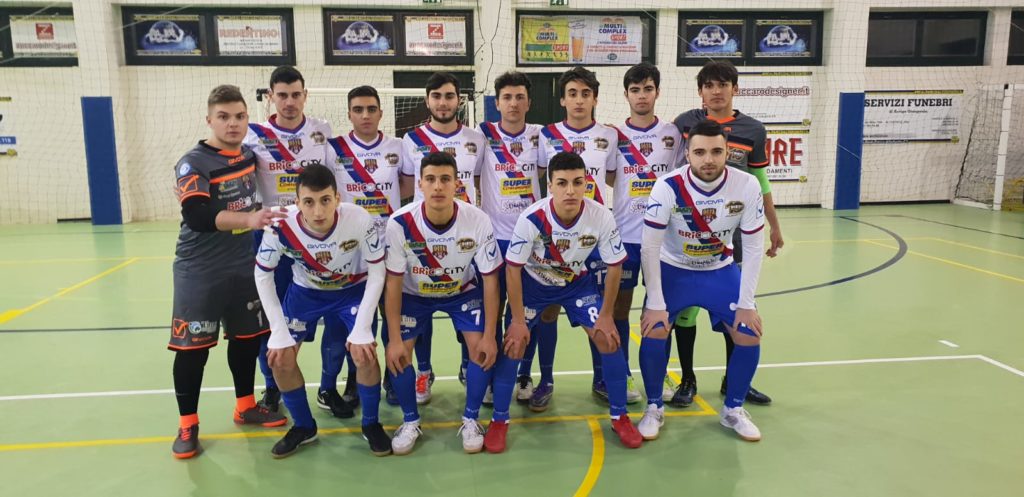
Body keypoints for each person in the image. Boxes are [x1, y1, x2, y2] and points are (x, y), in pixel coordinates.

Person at [169, 84, 287, 459]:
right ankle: (188, 424)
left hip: (243, 263)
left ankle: (245, 406)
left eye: (239, 116)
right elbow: (197, 216)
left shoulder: (249, 155)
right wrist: (249, 219)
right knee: (193, 349)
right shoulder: (193, 163)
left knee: (247, 338)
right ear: (209, 120)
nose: (232, 124)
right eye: (223, 117)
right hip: (200, 269)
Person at [503, 151, 643, 449]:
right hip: (534, 286)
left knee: (608, 339)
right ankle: (499, 420)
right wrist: (516, 320)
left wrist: (606, 315)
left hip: (576, 285)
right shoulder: (531, 218)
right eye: (562, 183)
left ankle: (620, 416)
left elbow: (615, 265)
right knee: (513, 345)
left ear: (586, 184)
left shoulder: (600, 215)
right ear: (550, 186)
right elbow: (512, 270)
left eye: (577, 183)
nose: (570, 190)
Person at [638, 119, 766, 442]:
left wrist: (747, 303)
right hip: (673, 270)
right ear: (688, 154)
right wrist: (655, 302)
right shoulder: (667, 187)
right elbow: (649, 247)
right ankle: (653, 407)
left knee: (749, 332)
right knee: (654, 329)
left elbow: (753, 248)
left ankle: (733, 410)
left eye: (716, 152)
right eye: (699, 152)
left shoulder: (747, 185)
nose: (708, 159)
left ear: (727, 152)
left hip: (719, 270)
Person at [255, 164, 389, 458]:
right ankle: (304, 426)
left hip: (351, 289)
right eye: (309, 202)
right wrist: (278, 332)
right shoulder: (280, 225)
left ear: (337, 198)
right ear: (296, 201)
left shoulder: (359, 219)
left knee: (365, 354)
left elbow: (378, 271)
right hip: (306, 294)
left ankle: (371, 424)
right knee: (280, 359)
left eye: (325, 200)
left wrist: (363, 327)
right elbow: (262, 274)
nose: (318, 211)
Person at [243, 66, 354, 418]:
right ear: (270, 97)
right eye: (282, 95)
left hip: (320, 235)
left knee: (334, 315)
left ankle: (327, 387)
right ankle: (273, 387)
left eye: (295, 94)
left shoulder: (322, 131)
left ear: (305, 96)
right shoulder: (254, 136)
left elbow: (337, 181)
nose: (289, 102)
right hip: (274, 238)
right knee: (273, 316)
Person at [669, 60, 782, 407]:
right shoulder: (684, 124)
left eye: (723, 85)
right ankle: (687, 379)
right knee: (686, 311)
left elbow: (760, 181)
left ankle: (735, 379)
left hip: (734, 236)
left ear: (735, 89)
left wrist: (774, 225)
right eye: (709, 85)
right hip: (690, 234)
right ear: (700, 91)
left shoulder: (753, 130)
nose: (716, 91)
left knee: (737, 309)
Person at [383, 152, 503, 455]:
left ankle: (471, 419)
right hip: (414, 295)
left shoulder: (477, 220)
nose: (438, 186)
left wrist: (490, 335)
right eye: (431, 179)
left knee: (481, 349)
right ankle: (410, 421)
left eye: (445, 179)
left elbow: (490, 280)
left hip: (461, 292)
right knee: (398, 354)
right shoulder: (399, 223)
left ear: (456, 184)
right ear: (420, 184)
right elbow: (393, 283)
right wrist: (393, 338)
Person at [522, 66, 624, 412]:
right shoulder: (545, 135)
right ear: (562, 99)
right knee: (548, 312)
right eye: (572, 94)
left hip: (593, 236)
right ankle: (546, 380)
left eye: (586, 94)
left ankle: (602, 379)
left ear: (595, 99)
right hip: (554, 239)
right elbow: (541, 178)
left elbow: (613, 178)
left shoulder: (609, 135)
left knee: (598, 314)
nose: (579, 100)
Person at [594, 62, 685, 406]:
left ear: (657, 92)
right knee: (618, 309)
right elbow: (611, 177)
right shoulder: (614, 136)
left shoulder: (673, 134)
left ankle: (658, 375)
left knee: (661, 310)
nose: (642, 96)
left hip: (664, 240)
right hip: (625, 238)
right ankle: (622, 373)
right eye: (635, 90)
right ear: (626, 95)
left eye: (648, 89)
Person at [400, 72, 487, 405]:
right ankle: (423, 371)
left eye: (449, 96)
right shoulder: (411, 140)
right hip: (422, 237)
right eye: (436, 96)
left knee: (466, 305)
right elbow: (406, 187)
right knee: (421, 307)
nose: (443, 102)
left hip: (464, 237)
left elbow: (479, 183)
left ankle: (467, 365)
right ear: (427, 100)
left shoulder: (476, 139)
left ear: (458, 100)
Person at [327, 85, 414, 408]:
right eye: (358, 110)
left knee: (395, 315)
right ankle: (356, 376)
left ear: (381, 113)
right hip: (351, 249)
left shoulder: (398, 146)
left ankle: (394, 375)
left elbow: (407, 186)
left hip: (391, 244)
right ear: (349, 114)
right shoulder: (334, 149)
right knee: (358, 319)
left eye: (371, 109)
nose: (365, 115)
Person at [477, 71, 544, 403]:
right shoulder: (482, 135)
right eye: (507, 97)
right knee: (491, 308)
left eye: (520, 97)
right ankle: (489, 373)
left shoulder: (541, 136)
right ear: (497, 103)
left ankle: (522, 373)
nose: (514, 103)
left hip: (531, 240)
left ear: (529, 103)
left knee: (525, 313)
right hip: (493, 239)